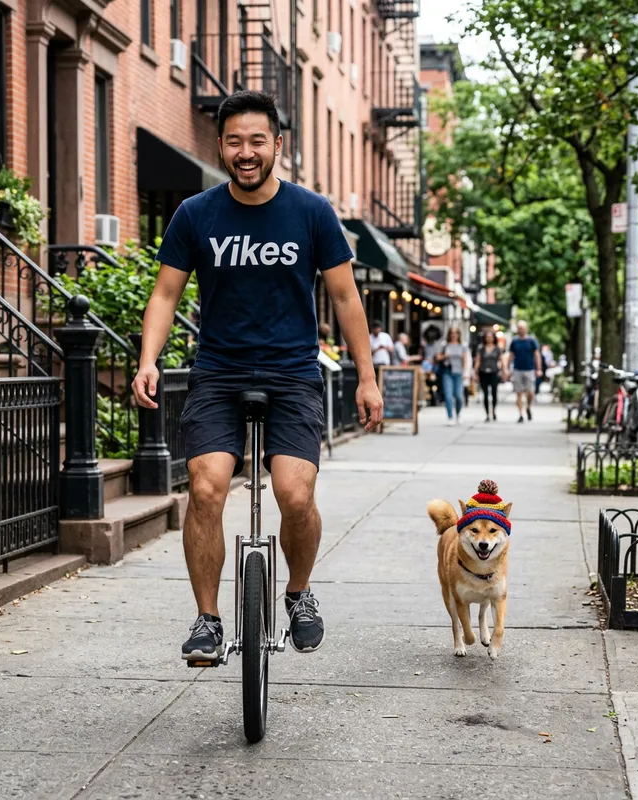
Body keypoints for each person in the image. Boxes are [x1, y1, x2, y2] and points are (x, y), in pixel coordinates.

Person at [131, 91, 383, 662]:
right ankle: (208, 620)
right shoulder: (195, 215)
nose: (246, 153)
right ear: (221, 145)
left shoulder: (312, 212)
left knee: (295, 495)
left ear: (277, 145)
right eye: (235, 142)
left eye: (257, 141)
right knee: (205, 486)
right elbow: (166, 293)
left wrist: (367, 377)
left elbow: (345, 298)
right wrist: (148, 360)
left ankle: (298, 593)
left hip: (293, 372)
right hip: (218, 372)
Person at [504, 320, 542, 423]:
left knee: (530, 392)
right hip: (517, 369)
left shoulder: (531, 341)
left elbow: (537, 355)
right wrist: (507, 369)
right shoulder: (515, 341)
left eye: (523, 328)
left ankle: (528, 407)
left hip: (529, 369)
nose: (521, 330)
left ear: (526, 329)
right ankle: (520, 414)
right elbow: (511, 355)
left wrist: (538, 369)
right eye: (519, 328)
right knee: (519, 393)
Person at [435, 326, 471, 426]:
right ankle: (450, 416)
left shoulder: (462, 345)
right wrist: (444, 356)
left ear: (459, 334)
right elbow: (437, 357)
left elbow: (465, 359)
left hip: (458, 372)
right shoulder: (445, 345)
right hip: (447, 371)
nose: (454, 335)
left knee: (459, 396)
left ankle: (458, 414)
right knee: (448, 395)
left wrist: (466, 372)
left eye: (456, 333)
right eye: (452, 333)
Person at [474, 330, 503, 422]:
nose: (489, 339)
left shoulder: (498, 348)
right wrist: (475, 372)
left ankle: (493, 411)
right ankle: (487, 414)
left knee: (494, 393)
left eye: (490, 337)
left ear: (494, 338)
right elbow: (478, 361)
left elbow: (502, 360)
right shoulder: (481, 348)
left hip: (494, 372)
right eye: (487, 337)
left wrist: (504, 370)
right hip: (483, 372)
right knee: (485, 394)